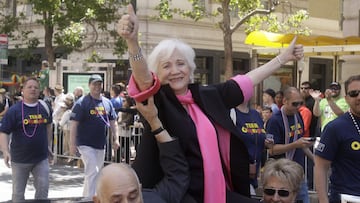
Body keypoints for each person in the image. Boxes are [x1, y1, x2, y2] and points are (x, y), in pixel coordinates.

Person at [118, 4, 304, 202]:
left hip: (218, 191)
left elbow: (247, 81)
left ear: (190, 68)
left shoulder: (207, 95)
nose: (175, 70)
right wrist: (132, 42)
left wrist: (283, 58)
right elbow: (143, 80)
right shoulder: (158, 101)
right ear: (158, 73)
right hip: (180, 194)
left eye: (180, 63)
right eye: (166, 66)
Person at [94, 96, 190, 203]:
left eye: (133, 197)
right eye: (117, 201)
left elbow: (177, 175)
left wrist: (155, 123)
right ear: (98, 201)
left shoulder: (153, 199)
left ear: (140, 191)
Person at [0, 77, 53, 201]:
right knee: (18, 194)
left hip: (41, 159)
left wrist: (48, 146)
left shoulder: (45, 107)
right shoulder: (14, 110)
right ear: (22, 90)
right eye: (29, 87)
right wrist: (5, 151)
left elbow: (49, 126)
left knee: (43, 190)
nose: (33, 89)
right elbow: (4, 131)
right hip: (20, 160)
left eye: (35, 87)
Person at [69, 74, 120, 200]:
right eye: (94, 84)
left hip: (100, 143)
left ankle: (86, 196)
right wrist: (72, 143)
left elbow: (113, 122)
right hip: (85, 143)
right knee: (93, 170)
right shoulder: (82, 103)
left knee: (96, 172)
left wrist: (116, 138)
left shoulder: (107, 102)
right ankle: (92, 198)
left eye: (99, 84)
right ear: (89, 85)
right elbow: (74, 124)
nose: (97, 86)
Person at [314, 75, 360, 203]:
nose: (359, 97)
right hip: (346, 198)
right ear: (346, 99)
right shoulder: (335, 128)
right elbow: (320, 167)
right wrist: (323, 200)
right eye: (354, 93)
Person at [266, 87, 314, 203]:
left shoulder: (298, 116)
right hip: (282, 174)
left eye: (300, 103)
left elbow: (300, 143)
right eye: (294, 104)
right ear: (285, 101)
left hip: (298, 172)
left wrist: (315, 160)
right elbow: (272, 150)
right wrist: (295, 144)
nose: (298, 107)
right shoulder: (274, 120)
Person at [230, 101, 273, 196]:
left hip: (253, 172)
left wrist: (266, 143)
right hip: (236, 175)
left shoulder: (255, 114)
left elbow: (260, 135)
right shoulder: (230, 112)